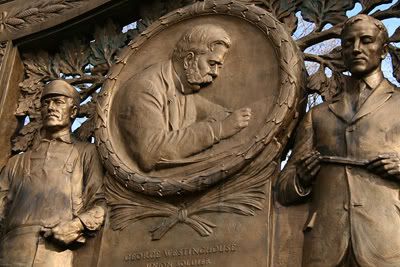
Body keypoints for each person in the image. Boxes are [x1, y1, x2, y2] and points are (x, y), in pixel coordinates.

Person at [277, 14, 400, 267]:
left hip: (389, 240)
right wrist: (301, 177)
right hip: (326, 245)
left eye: (366, 41)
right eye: (348, 43)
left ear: (383, 50)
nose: (356, 49)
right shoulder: (318, 115)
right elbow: (284, 188)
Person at [0, 80, 106, 266]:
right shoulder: (16, 162)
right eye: (46, 103)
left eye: (58, 102)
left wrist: (76, 225)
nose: (50, 108)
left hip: (59, 253)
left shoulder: (86, 153)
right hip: (11, 252)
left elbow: (102, 202)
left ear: (73, 112)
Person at [119, 24, 252, 172]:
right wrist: (219, 130)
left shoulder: (186, 85)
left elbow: (217, 112)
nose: (215, 73)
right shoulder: (146, 87)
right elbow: (151, 153)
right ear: (189, 59)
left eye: (218, 66)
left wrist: (230, 118)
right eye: (212, 63)